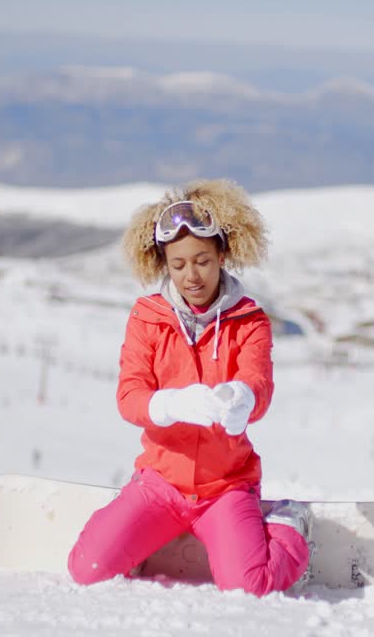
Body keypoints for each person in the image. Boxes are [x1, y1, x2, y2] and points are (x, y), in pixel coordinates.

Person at [67, 179, 311, 596]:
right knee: (86, 569)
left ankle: (289, 522)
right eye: (178, 265)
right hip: (160, 484)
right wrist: (169, 404)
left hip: (225, 485)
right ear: (164, 264)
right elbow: (129, 396)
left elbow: (258, 382)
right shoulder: (147, 317)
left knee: (249, 585)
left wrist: (244, 399)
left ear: (222, 255)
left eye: (202, 261)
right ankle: (132, 533)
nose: (191, 276)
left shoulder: (249, 320)